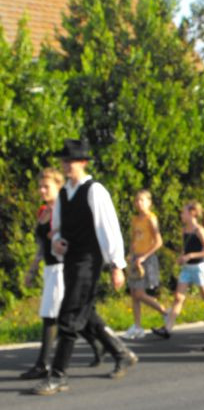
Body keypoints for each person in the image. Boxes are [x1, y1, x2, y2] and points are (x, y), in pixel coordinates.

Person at [31, 139, 137, 396]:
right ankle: (121, 353)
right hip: (70, 260)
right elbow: (56, 229)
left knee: (68, 316)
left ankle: (58, 375)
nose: (66, 165)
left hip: (89, 261)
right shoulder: (64, 193)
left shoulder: (94, 190)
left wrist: (117, 265)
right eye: (64, 160)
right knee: (85, 313)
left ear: (83, 162)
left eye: (71, 160)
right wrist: (57, 242)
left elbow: (108, 228)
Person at [21, 168, 104, 379]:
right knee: (76, 315)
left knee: (51, 316)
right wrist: (32, 268)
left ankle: (43, 364)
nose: (41, 190)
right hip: (49, 268)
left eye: (46, 186)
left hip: (62, 267)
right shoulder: (43, 212)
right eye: (40, 186)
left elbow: (74, 238)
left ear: (58, 187)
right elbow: (42, 245)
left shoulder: (64, 210)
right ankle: (105, 346)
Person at [152, 201, 204, 339]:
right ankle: (167, 329)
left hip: (199, 268)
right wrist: (182, 257)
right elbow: (186, 248)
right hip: (187, 268)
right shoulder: (184, 230)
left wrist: (191, 256)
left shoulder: (199, 230)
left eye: (183, 212)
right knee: (178, 298)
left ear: (192, 213)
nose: (181, 215)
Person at [123, 190, 166, 339]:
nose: (139, 203)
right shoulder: (135, 219)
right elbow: (134, 238)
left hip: (146, 259)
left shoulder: (151, 218)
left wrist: (144, 256)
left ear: (149, 202)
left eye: (142, 200)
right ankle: (137, 326)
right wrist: (130, 254)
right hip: (136, 258)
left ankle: (164, 312)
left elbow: (158, 241)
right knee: (134, 294)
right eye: (137, 200)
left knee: (139, 293)